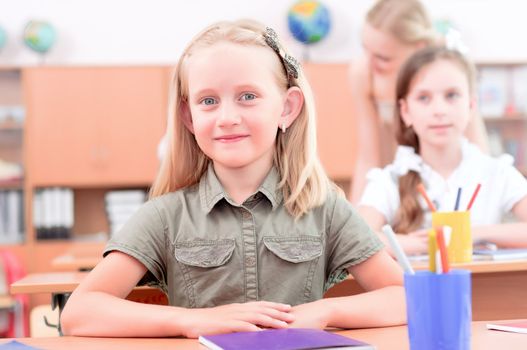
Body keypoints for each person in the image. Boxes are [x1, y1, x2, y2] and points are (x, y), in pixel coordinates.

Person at [60, 19, 405, 338]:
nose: (227, 117)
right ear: (189, 117)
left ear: (287, 108)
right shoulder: (164, 217)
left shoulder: (325, 208)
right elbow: (78, 313)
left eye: (248, 97)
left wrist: (327, 311)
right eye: (208, 101)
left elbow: (405, 296)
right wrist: (191, 321)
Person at [358, 46, 527, 255]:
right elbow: (356, 239)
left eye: (452, 95)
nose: (439, 110)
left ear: (471, 106)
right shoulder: (389, 180)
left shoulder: (496, 172)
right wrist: (416, 243)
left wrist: (473, 233)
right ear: (405, 111)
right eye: (424, 98)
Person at [349, 0, 489, 204]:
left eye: (383, 57)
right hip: (397, 166)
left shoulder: (448, 66)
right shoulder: (363, 73)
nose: (369, 62)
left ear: (419, 48)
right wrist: (355, 221)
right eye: (365, 49)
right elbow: (368, 158)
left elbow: (476, 145)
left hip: (447, 167)